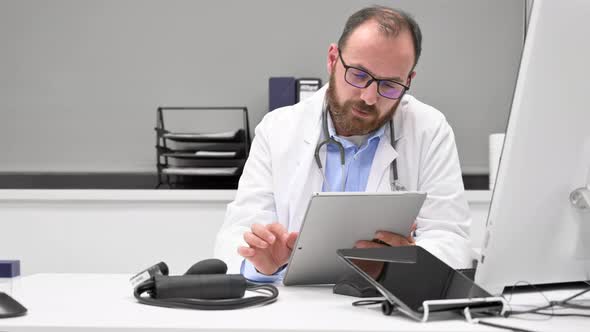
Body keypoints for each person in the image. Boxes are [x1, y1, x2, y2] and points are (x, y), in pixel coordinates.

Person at [214, 5, 473, 282]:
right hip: (294, 311)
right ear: (332, 59)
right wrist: (261, 264)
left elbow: (451, 240)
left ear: (409, 80)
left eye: (390, 85)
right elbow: (237, 236)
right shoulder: (277, 130)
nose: (369, 97)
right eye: (359, 75)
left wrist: (401, 265)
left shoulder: (430, 130)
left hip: (382, 311)